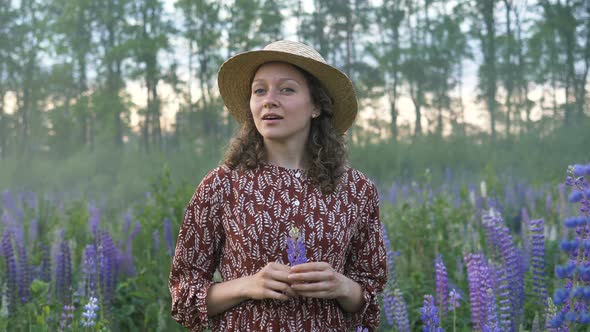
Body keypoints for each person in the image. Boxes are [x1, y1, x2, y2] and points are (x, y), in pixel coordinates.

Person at [169, 40, 387, 332]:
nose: (269, 100)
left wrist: (342, 286)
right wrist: (248, 284)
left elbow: (369, 297)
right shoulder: (222, 185)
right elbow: (184, 296)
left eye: (286, 89)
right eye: (260, 90)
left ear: (316, 106)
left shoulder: (356, 190)